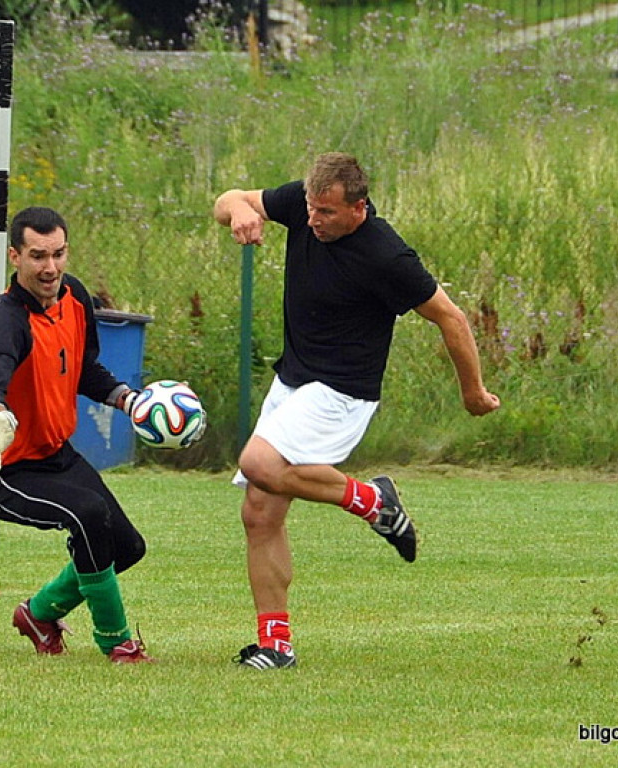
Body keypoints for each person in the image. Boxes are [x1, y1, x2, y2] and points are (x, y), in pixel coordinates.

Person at [213, 152, 501, 670]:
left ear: (357, 207)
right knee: (259, 512)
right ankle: (276, 645)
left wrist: (473, 393)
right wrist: (238, 210)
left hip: (342, 391)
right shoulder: (304, 206)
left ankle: (372, 501)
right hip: (294, 381)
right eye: (309, 208)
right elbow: (229, 198)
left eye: (325, 212)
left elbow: (452, 319)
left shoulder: (385, 256)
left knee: (258, 463)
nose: (313, 220)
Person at [0, 205, 153, 664]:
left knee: (126, 548)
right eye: (37, 256)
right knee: (89, 516)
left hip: (57, 454)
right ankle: (117, 643)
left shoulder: (75, 298)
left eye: (57, 254)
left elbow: (84, 369)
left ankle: (39, 613)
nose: (49, 267)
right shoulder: (6, 319)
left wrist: (127, 399)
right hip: (6, 469)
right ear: (14, 256)